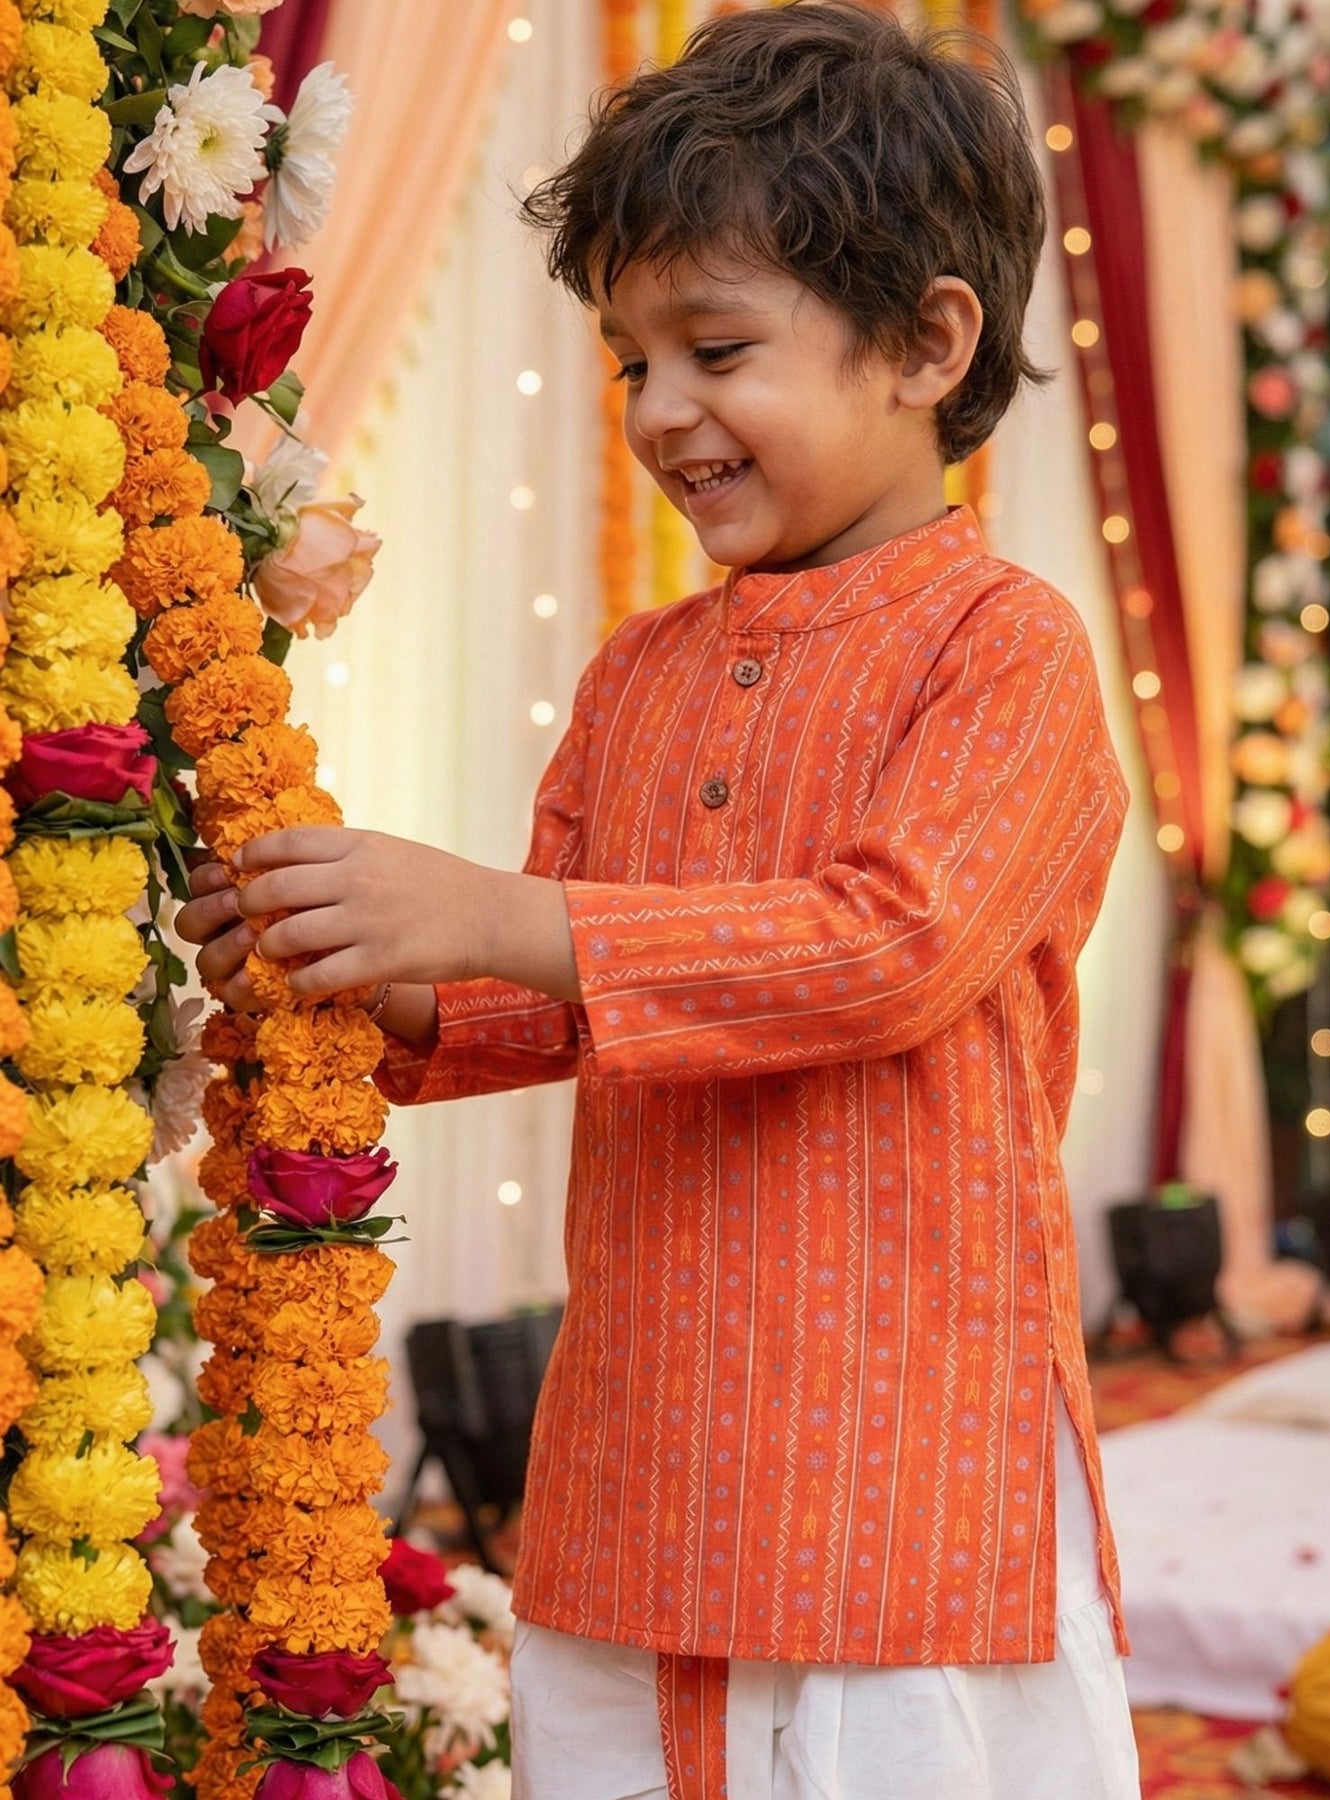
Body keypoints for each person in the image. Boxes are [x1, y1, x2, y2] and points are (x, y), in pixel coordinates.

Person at [179, 4, 1140, 1795]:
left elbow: (889, 948)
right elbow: (539, 998)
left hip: (897, 1481)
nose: (661, 412)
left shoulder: (1004, 648)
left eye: (716, 347)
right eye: (630, 361)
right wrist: (351, 945)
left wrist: (479, 915)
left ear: (927, 342)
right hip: (636, 1465)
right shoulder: (636, 672)